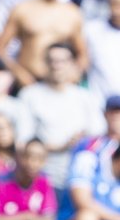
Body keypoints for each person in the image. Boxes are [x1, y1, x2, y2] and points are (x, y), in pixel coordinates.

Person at [18, 43, 105, 189]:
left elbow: (99, 134)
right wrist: (60, 147)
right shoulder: (29, 95)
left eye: (62, 61)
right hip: (40, 176)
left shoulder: (85, 97)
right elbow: (22, 142)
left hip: (80, 178)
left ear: (72, 64)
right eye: (51, 60)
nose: (56, 66)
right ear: (44, 64)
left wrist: (81, 140)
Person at [0, 0, 86, 88]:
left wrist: (73, 74)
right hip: (28, 80)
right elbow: (0, 48)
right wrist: (18, 73)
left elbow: (83, 54)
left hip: (59, 83)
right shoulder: (23, 9)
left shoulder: (72, 14)